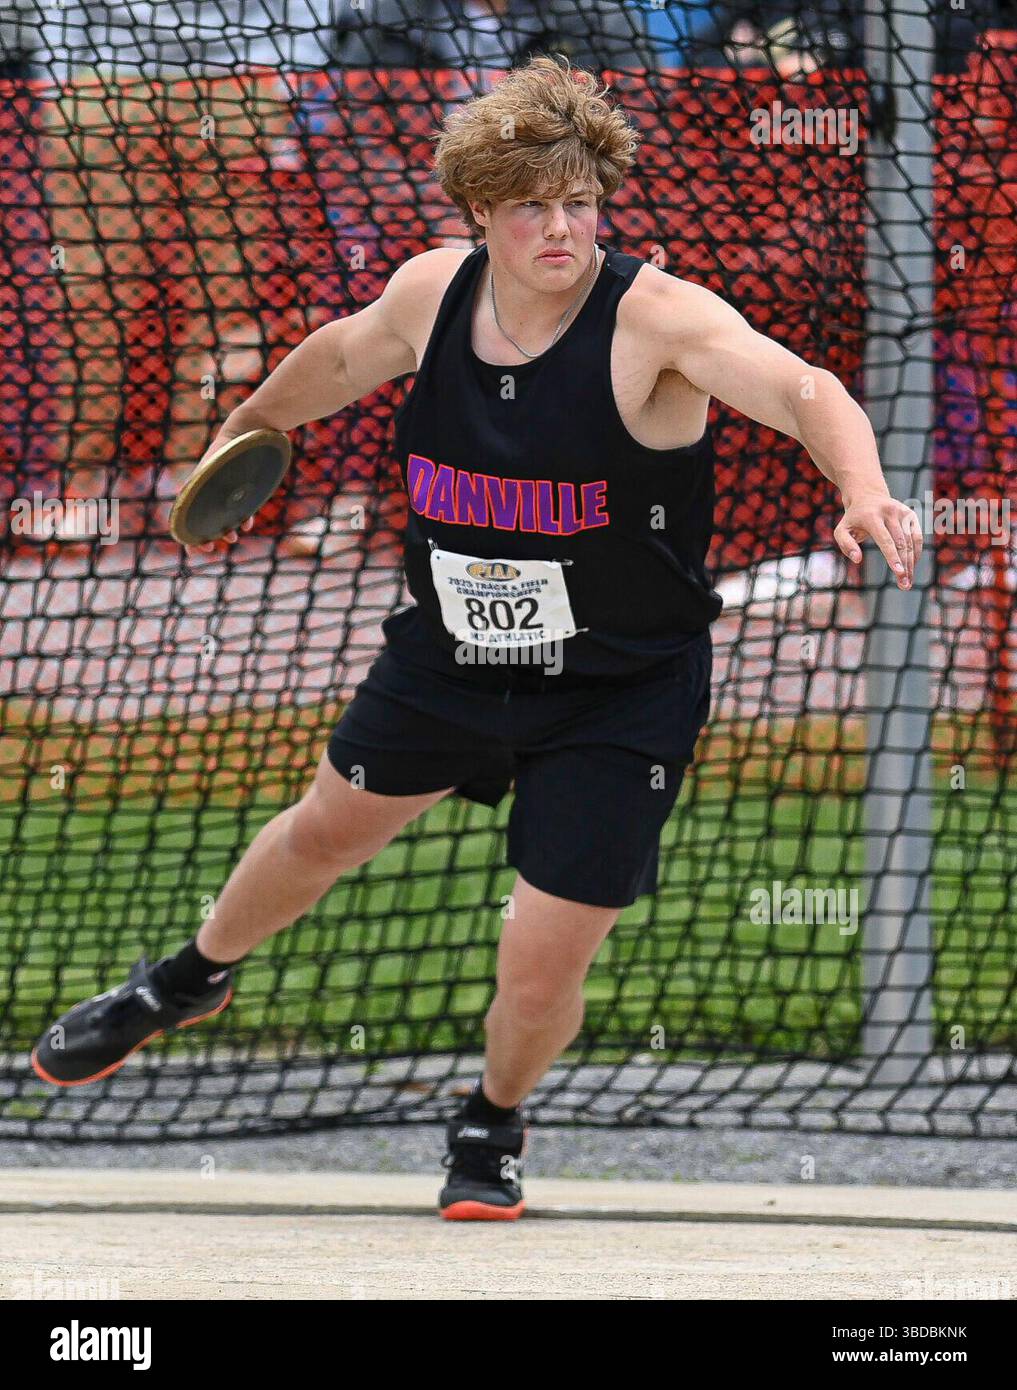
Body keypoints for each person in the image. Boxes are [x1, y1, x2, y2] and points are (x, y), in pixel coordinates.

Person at [31, 54, 921, 1220]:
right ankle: (186, 981)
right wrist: (244, 431)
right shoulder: (431, 293)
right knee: (318, 835)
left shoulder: (656, 320)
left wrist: (860, 486)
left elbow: (804, 388)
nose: (561, 228)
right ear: (479, 215)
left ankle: (493, 1117)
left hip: (619, 687)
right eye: (529, 207)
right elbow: (343, 356)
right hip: (448, 657)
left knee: (542, 956)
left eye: (579, 202)